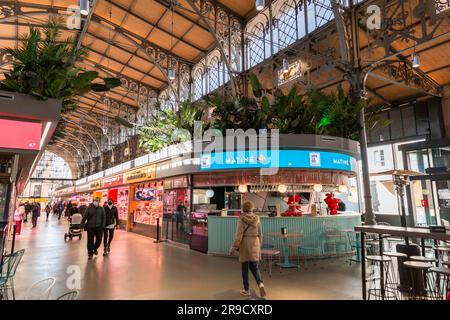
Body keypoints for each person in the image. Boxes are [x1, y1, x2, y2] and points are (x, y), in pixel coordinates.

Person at [229, 201, 266, 298]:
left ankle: (247, 290)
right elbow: (260, 233)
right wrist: (259, 245)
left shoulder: (241, 219)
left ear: (243, 208)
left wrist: (234, 247)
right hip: (255, 242)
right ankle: (260, 284)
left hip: (245, 243)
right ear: (252, 208)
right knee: (255, 267)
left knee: (244, 268)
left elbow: (239, 235)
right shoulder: (257, 218)